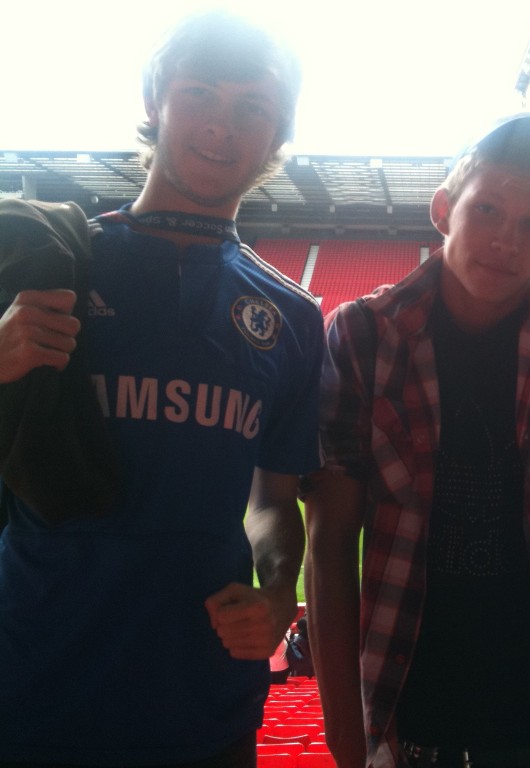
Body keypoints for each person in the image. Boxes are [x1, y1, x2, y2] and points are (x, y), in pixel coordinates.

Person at [0, 11, 323, 766]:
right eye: (200, 93)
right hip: (34, 683)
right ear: (155, 102)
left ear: (278, 134)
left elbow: (275, 501)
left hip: (200, 700)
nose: (222, 124)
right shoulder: (48, 264)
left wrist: (279, 596)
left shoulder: (294, 318)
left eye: (253, 107)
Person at [303, 114, 530, 768]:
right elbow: (329, 539)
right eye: (489, 209)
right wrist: (343, 729)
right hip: (407, 707)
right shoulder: (361, 334)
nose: (508, 238)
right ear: (444, 209)